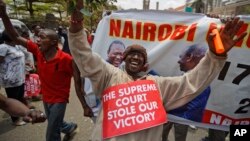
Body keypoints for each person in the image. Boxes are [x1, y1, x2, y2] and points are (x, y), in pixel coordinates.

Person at [68, 0, 246, 140]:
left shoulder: (158, 85)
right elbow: (85, 56)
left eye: (140, 56)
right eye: (132, 54)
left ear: (145, 65)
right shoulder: (108, 75)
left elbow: (192, 83)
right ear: (124, 59)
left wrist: (214, 55)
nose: (136, 57)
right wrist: (76, 29)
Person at [0, 2, 79, 141]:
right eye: (37, 37)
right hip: (46, 97)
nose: (37, 40)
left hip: (60, 99)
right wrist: (4, 15)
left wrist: (84, 102)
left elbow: (78, 79)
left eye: (42, 37)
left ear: (54, 42)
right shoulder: (38, 51)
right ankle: (69, 127)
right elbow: (15, 37)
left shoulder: (66, 59)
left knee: (52, 132)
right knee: (54, 121)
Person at [162, 44, 209, 141]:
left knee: (180, 137)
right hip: (169, 114)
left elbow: (194, 112)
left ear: (189, 57)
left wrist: (174, 116)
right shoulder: (190, 77)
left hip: (179, 118)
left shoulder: (201, 84)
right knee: (161, 135)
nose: (179, 61)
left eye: (181, 57)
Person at [0, 30, 27, 126]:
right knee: (13, 99)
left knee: (20, 96)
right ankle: (15, 119)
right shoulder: (3, 47)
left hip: (19, 77)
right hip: (10, 79)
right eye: (15, 35)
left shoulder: (16, 46)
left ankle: (22, 112)